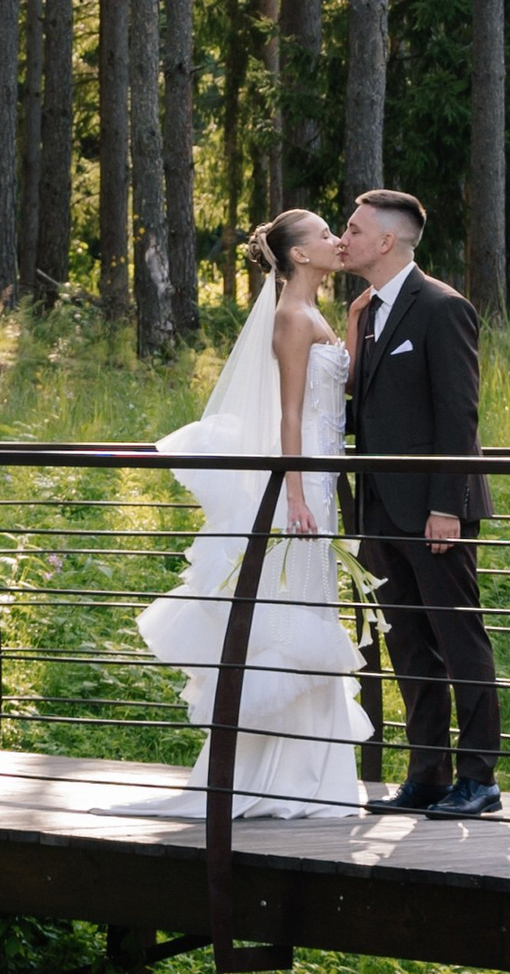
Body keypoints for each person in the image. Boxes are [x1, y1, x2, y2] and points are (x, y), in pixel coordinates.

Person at [136, 208, 370, 817]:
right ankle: (279, 776)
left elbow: (335, 394)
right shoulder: (291, 317)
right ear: (298, 255)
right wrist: (294, 492)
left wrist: (350, 320)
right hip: (304, 484)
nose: (336, 240)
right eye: (324, 234)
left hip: (320, 477)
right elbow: (290, 414)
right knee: (291, 610)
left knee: (311, 603)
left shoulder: (315, 311)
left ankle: (311, 775)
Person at [339, 186, 503, 820]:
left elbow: (458, 415)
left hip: (437, 510)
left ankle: (480, 778)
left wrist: (446, 507)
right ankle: (427, 774)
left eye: (353, 229)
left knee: (459, 641)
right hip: (380, 509)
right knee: (408, 643)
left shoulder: (442, 307)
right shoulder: (369, 311)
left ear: (387, 240)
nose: (343, 238)